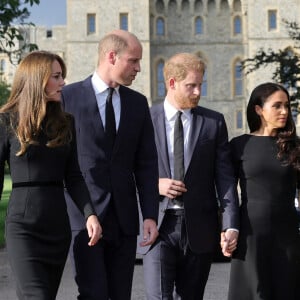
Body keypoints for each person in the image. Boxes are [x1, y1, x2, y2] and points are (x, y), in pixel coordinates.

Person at [61, 29, 159, 300]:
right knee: (93, 294)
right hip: (84, 217)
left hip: (125, 220)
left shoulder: (138, 103)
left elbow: (147, 163)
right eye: (134, 60)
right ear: (112, 56)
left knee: (119, 295)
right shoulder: (68, 98)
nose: (139, 68)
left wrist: (150, 214)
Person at [0, 50, 101, 300]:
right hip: (23, 228)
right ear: (38, 79)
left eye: (62, 76)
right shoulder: (6, 121)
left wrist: (90, 214)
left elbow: (74, 176)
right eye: (56, 76)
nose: (63, 82)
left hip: (57, 229)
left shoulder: (65, 122)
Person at [138, 52, 240, 300]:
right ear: (171, 83)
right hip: (158, 224)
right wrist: (154, 184)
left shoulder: (213, 123)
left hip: (200, 227)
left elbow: (225, 178)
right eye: (191, 86)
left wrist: (230, 225)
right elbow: (124, 170)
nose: (197, 92)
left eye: (200, 85)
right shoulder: (144, 120)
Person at [227, 82, 300, 300]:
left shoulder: (294, 146)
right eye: (277, 106)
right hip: (250, 237)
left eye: (287, 105)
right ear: (259, 109)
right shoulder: (239, 145)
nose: (284, 111)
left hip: (287, 236)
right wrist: (226, 229)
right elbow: (226, 191)